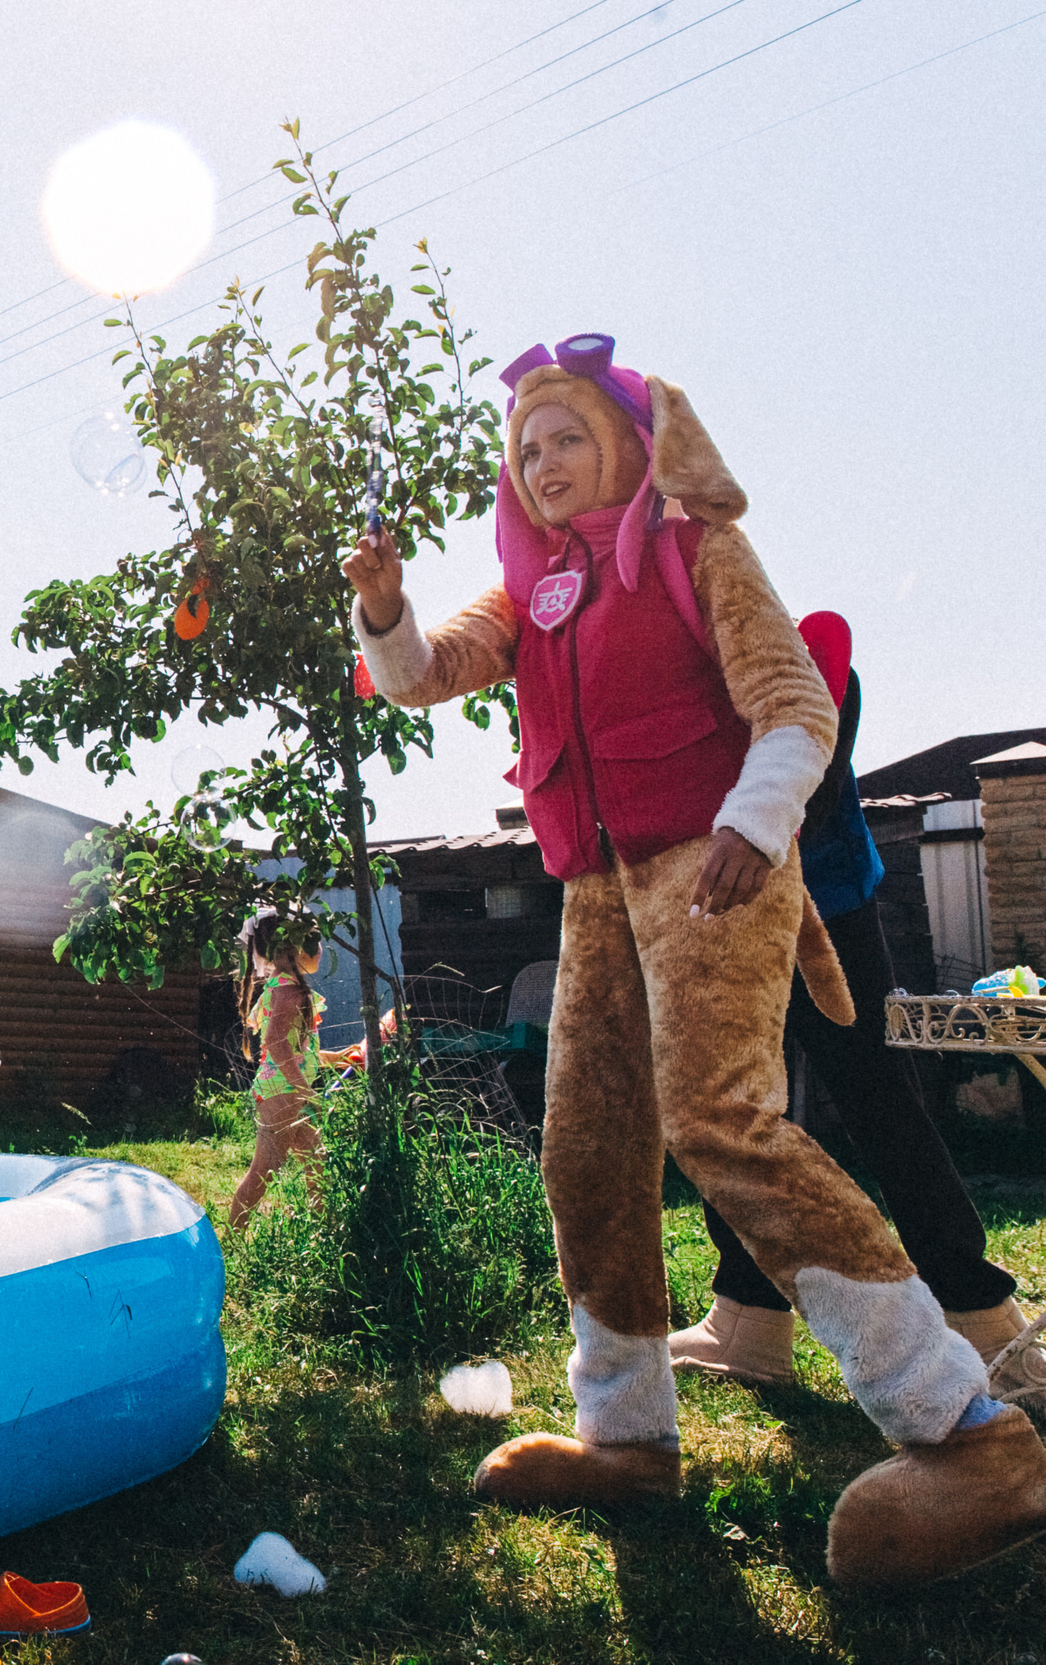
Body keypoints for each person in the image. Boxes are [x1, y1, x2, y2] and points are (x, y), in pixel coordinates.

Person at [343, 333, 1046, 1587]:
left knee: (720, 1121)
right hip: (597, 893)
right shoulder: (529, 593)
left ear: (630, 442)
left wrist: (751, 824)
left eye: (567, 437)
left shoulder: (693, 547)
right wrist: (386, 609)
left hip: (716, 871)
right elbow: (419, 678)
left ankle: (969, 1433)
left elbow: (795, 704)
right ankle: (626, 1438)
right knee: (586, 1148)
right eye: (525, 449)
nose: (543, 462)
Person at [674, 618, 1044, 1396]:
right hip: (745, 905)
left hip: (815, 900)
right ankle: (750, 1317)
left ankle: (978, 1313)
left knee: (866, 1096)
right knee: (738, 1110)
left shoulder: (782, 645)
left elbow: (820, 719)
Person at [224, 908, 326, 1233]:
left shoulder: (282, 986)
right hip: (284, 1093)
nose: (320, 949)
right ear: (294, 946)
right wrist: (305, 1090)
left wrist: (340, 1057)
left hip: (283, 1089)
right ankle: (232, 1239)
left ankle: (326, 1230)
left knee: (318, 1159)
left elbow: (295, 1050)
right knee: (264, 1171)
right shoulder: (289, 992)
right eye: (314, 940)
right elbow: (277, 1045)